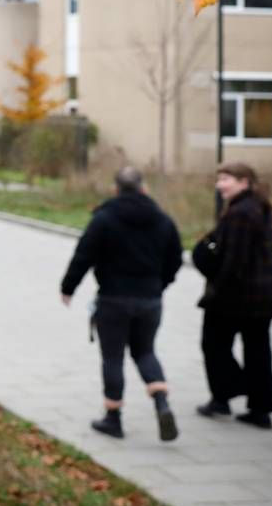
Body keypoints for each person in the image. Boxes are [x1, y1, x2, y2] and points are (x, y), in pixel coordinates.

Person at [61, 166, 184, 442]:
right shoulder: (163, 220)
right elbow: (175, 258)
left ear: (115, 189)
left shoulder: (104, 218)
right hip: (150, 300)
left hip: (113, 299)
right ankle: (161, 402)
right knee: (145, 352)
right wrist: (159, 284)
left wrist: (68, 287)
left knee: (113, 357)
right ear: (143, 187)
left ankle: (113, 418)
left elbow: (84, 254)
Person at [192, 161, 272, 428]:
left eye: (226, 179)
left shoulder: (241, 213)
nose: (219, 185)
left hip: (237, 296)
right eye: (218, 179)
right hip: (261, 295)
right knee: (258, 351)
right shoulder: (258, 206)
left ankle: (225, 395)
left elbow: (234, 260)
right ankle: (261, 408)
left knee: (213, 344)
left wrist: (215, 292)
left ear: (244, 182)